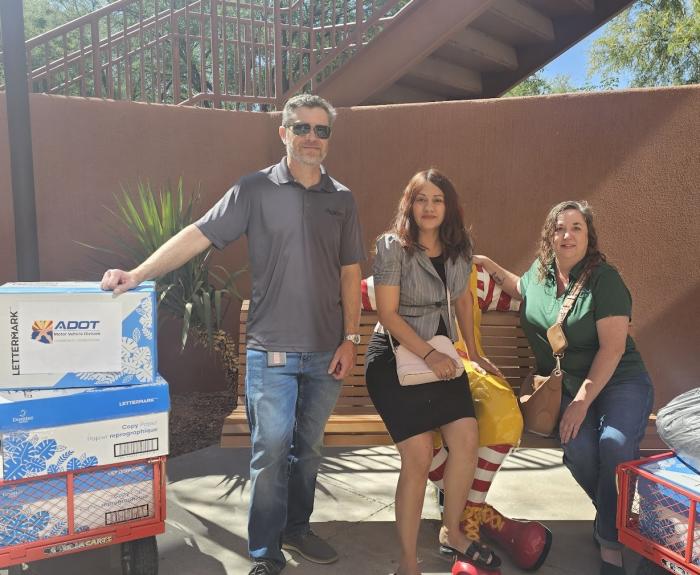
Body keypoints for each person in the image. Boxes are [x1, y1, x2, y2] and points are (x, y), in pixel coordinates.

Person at [100, 94, 365, 575]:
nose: (311, 137)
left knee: (308, 450)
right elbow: (199, 233)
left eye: (321, 130)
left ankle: (298, 528)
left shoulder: (341, 199)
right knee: (269, 452)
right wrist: (138, 274)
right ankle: (266, 552)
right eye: (301, 128)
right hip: (272, 351)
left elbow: (351, 273)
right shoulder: (254, 189)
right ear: (283, 133)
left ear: (329, 138)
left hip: (327, 351)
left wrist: (351, 338)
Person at [475, 200, 653, 575]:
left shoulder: (606, 281)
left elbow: (614, 347)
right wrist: (488, 265)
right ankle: (615, 518)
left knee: (614, 446)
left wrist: (582, 403)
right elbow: (517, 286)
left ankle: (609, 543)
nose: (567, 234)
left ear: (589, 236)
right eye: (559, 228)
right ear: (549, 236)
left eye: (576, 227)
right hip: (567, 386)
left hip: (619, 380)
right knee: (581, 449)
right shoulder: (539, 275)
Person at [366, 168, 501, 575]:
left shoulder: (461, 247)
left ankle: (453, 531)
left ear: (449, 207)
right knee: (419, 455)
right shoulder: (392, 247)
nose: (429, 207)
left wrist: (474, 353)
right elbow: (388, 314)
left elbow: (461, 302)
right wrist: (430, 356)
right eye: (421, 199)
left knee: (467, 438)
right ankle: (409, 563)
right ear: (410, 204)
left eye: (437, 200)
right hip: (395, 358)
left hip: (441, 355)